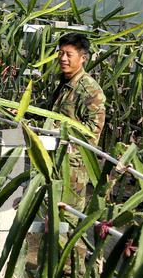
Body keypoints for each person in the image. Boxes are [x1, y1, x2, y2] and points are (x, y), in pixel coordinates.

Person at [46, 32, 107, 209]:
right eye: (60, 53)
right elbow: (50, 109)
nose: (63, 58)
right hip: (53, 155)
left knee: (66, 213)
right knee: (48, 210)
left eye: (69, 54)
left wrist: (58, 128)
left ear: (83, 58)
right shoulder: (63, 82)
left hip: (72, 164)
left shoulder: (89, 90)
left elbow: (93, 130)